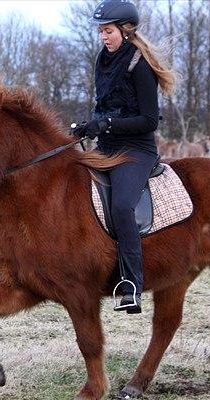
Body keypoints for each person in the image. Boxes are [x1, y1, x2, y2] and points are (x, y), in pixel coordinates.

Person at [73, 0, 177, 313]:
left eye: (109, 31)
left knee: (120, 206)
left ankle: (131, 284)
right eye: (101, 31)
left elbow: (149, 120)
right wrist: (89, 126)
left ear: (126, 30)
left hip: (136, 150)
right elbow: (101, 103)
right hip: (106, 146)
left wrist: (108, 123)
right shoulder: (102, 59)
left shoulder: (139, 64)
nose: (104, 37)